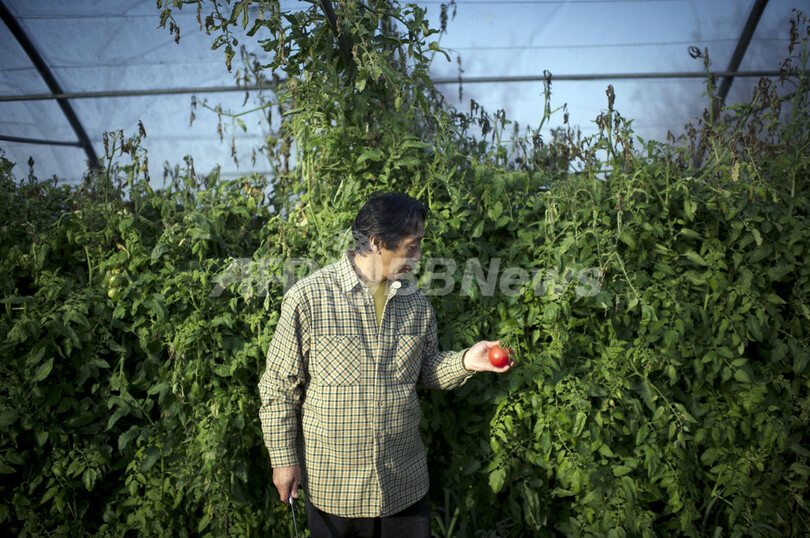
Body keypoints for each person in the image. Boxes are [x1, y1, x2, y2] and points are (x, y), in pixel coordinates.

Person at [258, 192, 514, 537]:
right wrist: (283, 459)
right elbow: (278, 387)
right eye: (412, 247)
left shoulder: (415, 304)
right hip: (336, 488)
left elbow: (426, 370)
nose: (419, 257)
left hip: (403, 485)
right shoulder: (309, 299)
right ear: (377, 243)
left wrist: (468, 361)